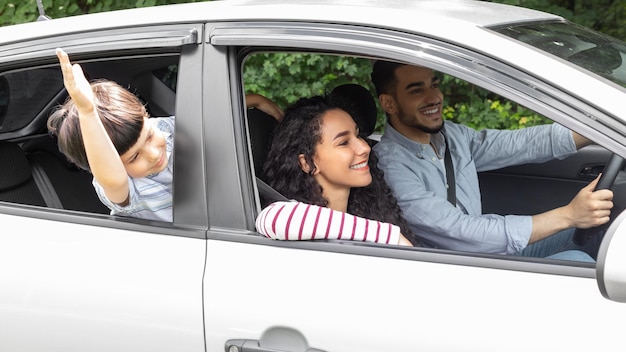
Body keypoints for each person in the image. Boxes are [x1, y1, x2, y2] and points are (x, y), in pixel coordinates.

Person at [370, 60, 614, 262]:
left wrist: (604, 128)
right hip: (457, 272)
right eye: (417, 90)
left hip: (487, 255)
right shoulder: (390, 166)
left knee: (600, 231)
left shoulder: (451, 137)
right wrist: (567, 215)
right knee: (578, 262)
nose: (434, 97)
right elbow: (460, 232)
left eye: (434, 85)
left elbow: (520, 144)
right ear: (389, 103)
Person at [48, 48, 282, 221]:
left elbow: (207, 119)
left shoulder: (163, 128)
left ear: (146, 116)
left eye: (149, 136)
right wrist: (88, 113)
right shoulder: (127, 189)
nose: (152, 153)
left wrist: (253, 100)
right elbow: (112, 177)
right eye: (133, 158)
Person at [255, 95, 418, 246]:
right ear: (307, 163)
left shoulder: (366, 213)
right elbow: (274, 218)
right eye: (344, 143)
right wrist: (393, 237)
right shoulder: (293, 223)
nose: (365, 147)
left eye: (358, 135)